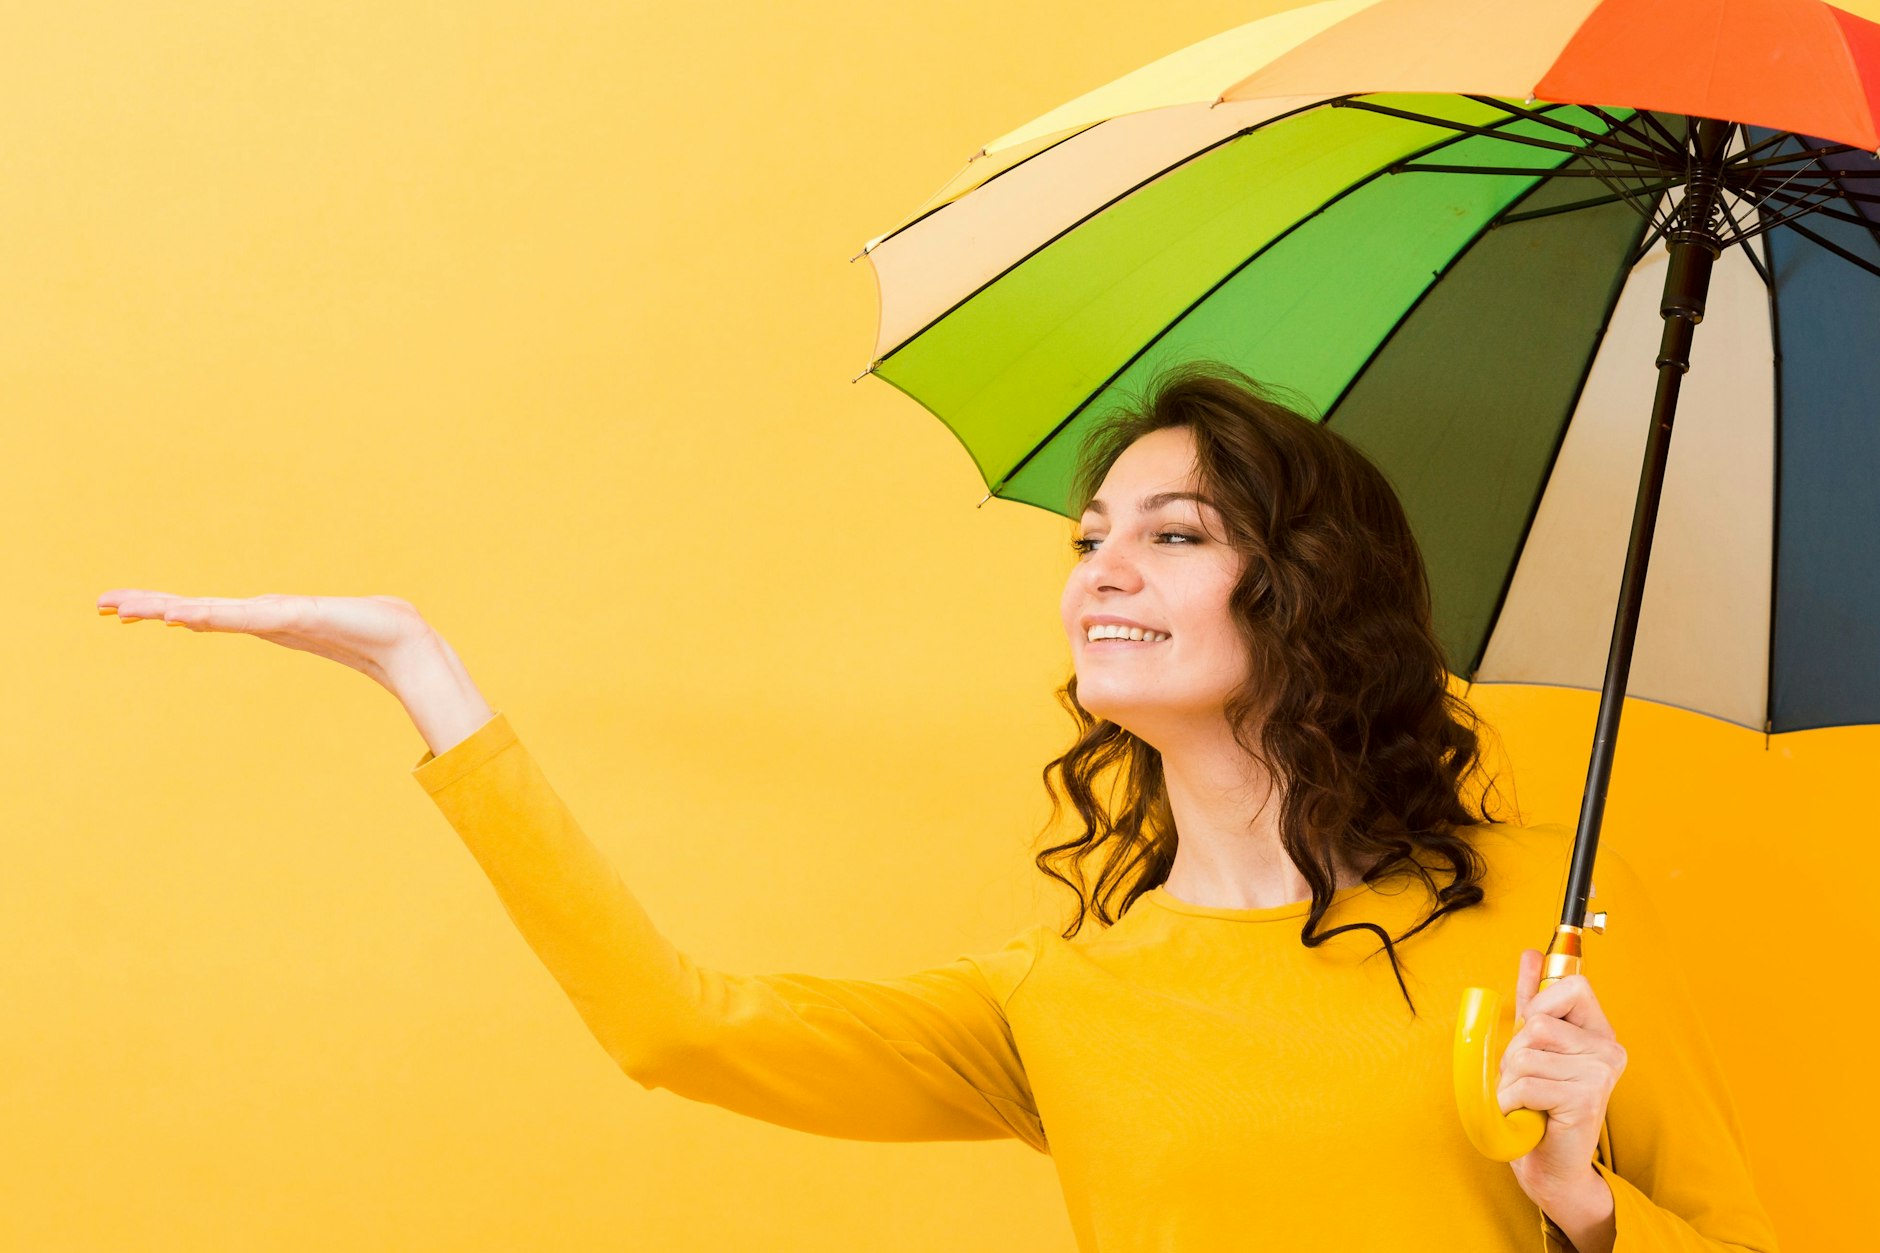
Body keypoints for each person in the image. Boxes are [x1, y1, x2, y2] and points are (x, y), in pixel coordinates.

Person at [97, 362, 1778, 1252]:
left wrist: (1586, 1204)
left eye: (1175, 532)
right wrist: (425, 676)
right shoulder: (1064, 1005)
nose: (1103, 567)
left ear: (1306, 589)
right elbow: (683, 1032)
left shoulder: (1534, 947)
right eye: (1089, 535)